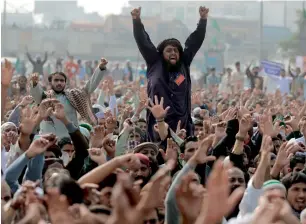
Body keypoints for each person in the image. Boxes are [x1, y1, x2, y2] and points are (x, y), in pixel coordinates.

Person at [131, 6, 209, 141]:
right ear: (161, 53)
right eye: (169, 50)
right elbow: (143, 42)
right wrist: (137, 21)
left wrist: (202, 20)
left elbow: (194, 43)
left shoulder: (184, 64)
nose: (173, 53)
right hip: (158, 125)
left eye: (176, 51)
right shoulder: (154, 62)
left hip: (182, 125)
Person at [29, 58, 109, 138]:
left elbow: (88, 88)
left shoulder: (74, 95)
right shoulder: (44, 97)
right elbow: (36, 93)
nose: (59, 83)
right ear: (50, 82)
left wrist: (100, 69)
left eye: (62, 80)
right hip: (48, 140)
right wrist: (34, 84)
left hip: (70, 140)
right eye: (56, 80)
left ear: (65, 83)